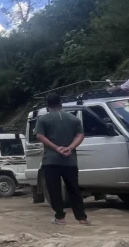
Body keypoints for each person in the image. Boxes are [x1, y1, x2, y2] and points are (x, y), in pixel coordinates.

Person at [35, 93, 90, 226]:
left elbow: (40, 136)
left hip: (50, 160)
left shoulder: (43, 119)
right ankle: (82, 218)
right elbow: (80, 135)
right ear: (61, 104)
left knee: (54, 189)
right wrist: (69, 148)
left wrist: (56, 148)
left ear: (47, 105)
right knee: (74, 189)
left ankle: (60, 218)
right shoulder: (73, 119)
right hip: (70, 161)